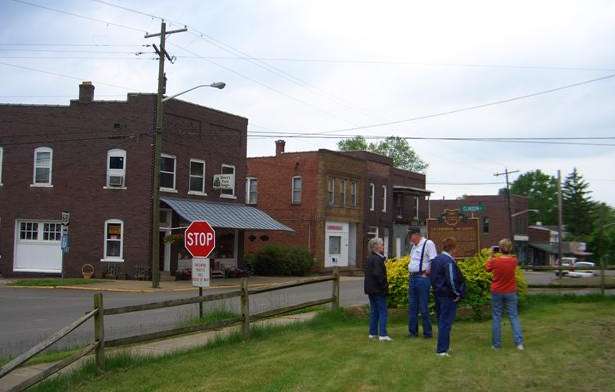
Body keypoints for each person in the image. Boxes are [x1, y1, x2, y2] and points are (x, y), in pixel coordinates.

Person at [486, 238, 525, 350]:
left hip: (497, 291)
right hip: (510, 291)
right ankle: (519, 343)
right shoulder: (514, 260)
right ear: (510, 248)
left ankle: (496, 345)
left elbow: (487, 268)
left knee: (497, 317)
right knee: (513, 316)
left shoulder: (495, 260)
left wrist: (491, 255)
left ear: (500, 248)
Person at [430, 237, 465, 357]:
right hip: (447, 296)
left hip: (438, 294)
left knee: (442, 321)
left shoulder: (436, 260)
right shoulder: (448, 261)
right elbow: (451, 280)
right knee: (446, 322)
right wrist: (457, 293)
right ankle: (442, 349)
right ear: (452, 248)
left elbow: (433, 277)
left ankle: (444, 346)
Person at [407, 227, 437, 338]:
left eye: (411, 235)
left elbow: (434, 261)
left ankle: (427, 333)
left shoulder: (428, 243)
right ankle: (412, 332)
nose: (410, 238)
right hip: (413, 277)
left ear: (417, 235)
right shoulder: (414, 246)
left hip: (422, 278)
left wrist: (427, 274)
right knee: (412, 307)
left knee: (423, 307)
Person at [364, 237, 392, 341]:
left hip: (371, 289)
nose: (383, 246)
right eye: (381, 244)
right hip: (378, 289)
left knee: (374, 311)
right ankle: (383, 334)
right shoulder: (377, 259)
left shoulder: (369, 258)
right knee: (382, 311)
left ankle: (373, 333)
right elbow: (378, 275)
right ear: (376, 246)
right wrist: (385, 287)